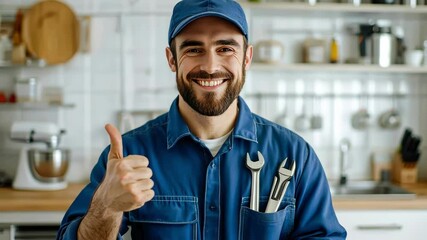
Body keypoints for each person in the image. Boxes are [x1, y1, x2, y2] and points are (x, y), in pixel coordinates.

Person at [57, 0, 346, 239]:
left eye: (225, 48)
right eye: (194, 49)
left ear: (247, 58)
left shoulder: (295, 155)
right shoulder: (127, 157)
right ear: (172, 59)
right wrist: (107, 206)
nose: (210, 66)